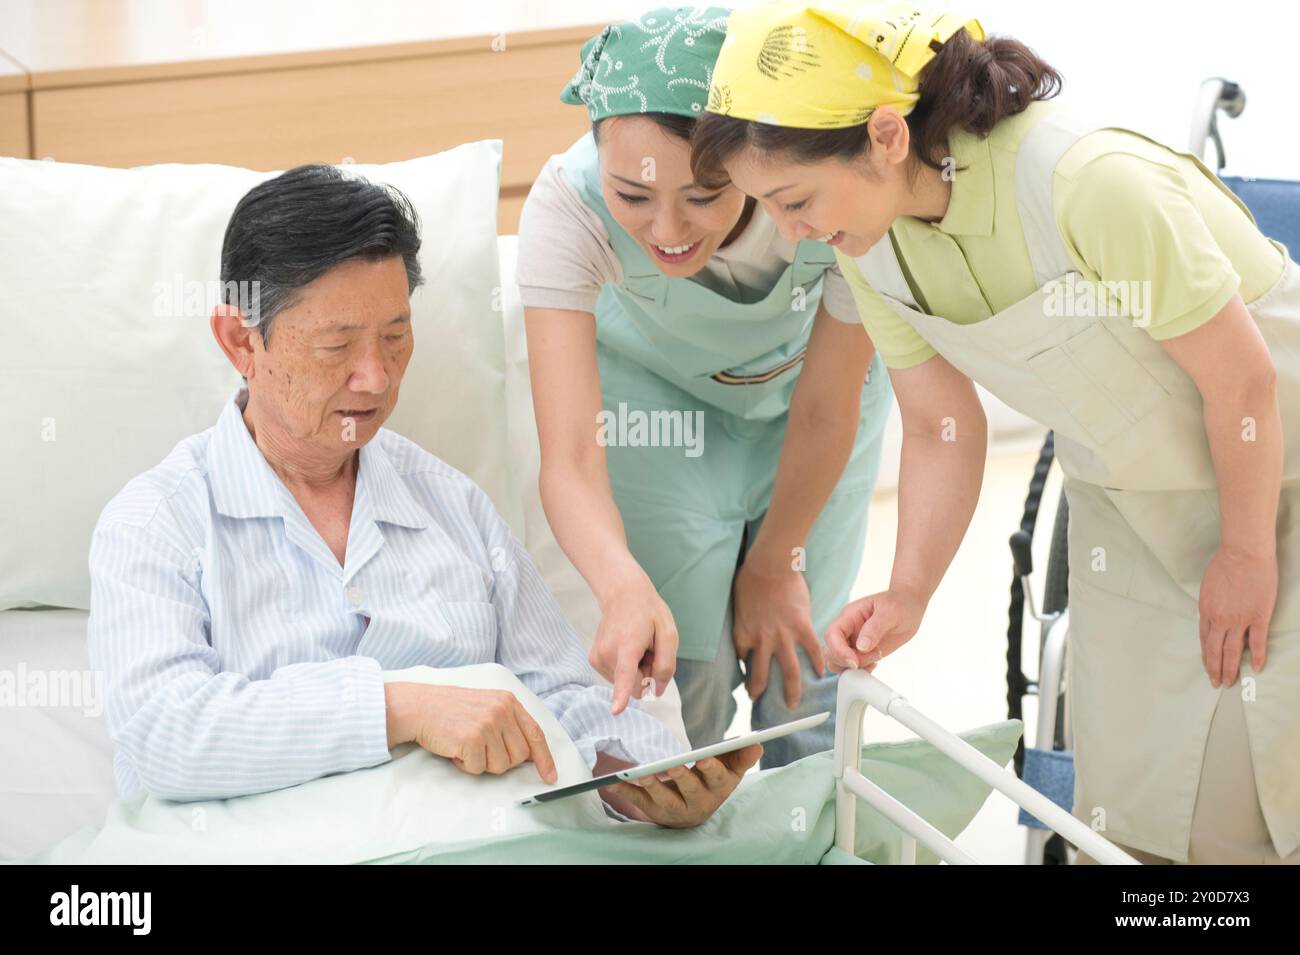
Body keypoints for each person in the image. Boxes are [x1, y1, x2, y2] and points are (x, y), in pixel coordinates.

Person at [691, 0, 1300, 863]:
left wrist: (1246, 552)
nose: (792, 234)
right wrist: (909, 591)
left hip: (1275, 479)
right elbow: (941, 426)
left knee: (1253, 808)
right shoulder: (869, 242)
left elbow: (1243, 383)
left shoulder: (1086, 182)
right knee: (1131, 819)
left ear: (886, 135)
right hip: (1129, 511)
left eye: (793, 200)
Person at [87, 163, 759, 826]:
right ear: (242, 341)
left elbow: (564, 695)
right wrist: (397, 707)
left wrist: (638, 780)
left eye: (395, 335)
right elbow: (164, 735)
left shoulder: (453, 507)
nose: (375, 377)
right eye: (336, 345)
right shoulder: (157, 523)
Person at [517, 6, 892, 766]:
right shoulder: (566, 208)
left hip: (813, 409)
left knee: (802, 663)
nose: (667, 229)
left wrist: (777, 557)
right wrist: (620, 586)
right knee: (684, 668)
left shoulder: (823, 198)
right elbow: (571, 460)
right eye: (633, 197)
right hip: (658, 411)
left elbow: (826, 408)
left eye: (704, 194)